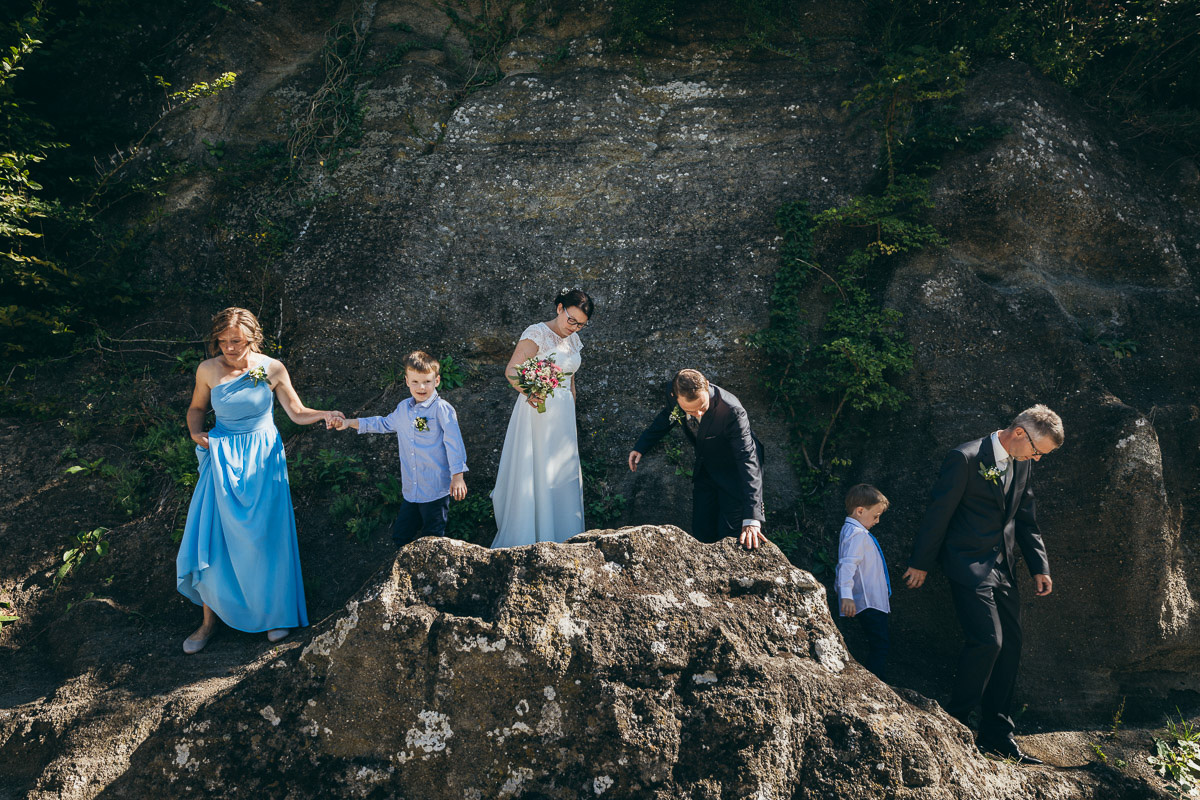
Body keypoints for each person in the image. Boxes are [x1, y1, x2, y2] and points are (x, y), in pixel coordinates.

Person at [902, 405, 1063, 764]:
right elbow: (938, 514)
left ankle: (997, 736)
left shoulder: (1024, 462)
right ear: (1020, 433)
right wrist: (920, 563)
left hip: (1003, 568)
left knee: (1011, 646)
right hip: (967, 564)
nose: (1038, 457)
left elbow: (1025, 518)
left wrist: (1040, 566)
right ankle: (954, 725)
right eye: (1038, 450)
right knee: (988, 641)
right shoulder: (965, 458)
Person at [176, 307, 342, 654]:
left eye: (235, 341)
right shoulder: (208, 369)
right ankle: (208, 623)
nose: (229, 348)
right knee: (216, 538)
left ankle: (274, 615)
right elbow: (196, 409)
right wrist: (196, 433)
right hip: (222, 459)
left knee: (266, 537)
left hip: (263, 459)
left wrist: (325, 414)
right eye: (222, 342)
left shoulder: (271, 368)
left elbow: (296, 412)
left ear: (252, 337)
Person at [332, 350, 468, 546]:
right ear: (406, 381)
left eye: (427, 382)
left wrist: (458, 476)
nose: (421, 387)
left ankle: (431, 575)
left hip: (435, 489)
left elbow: (454, 442)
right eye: (415, 382)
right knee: (401, 536)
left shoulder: (442, 409)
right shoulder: (403, 408)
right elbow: (383, 424)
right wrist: (350, 422)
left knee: (433, 538)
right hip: (411, 490)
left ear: (436, 381)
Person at [490, 289, 593, 548]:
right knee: (537, 469)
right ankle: (532, 536)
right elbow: (512, 369)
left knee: (561, 472)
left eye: (581, 324)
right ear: (560, 308)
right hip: (537, 411)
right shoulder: (536, 333)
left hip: (564, 417)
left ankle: (563, 534)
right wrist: (531, 390)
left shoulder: (574, 341)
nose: (574, 327)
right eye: (571, 320)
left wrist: (572, 418)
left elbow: (570, 381)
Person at [628, 369, 767, 549]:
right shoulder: (673, 394)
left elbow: (748, 460)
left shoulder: (732, 411)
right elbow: (667, 417)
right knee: (701, 530)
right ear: (675, 396)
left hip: (736, 474)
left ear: (707, 385)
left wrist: (753, 517)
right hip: (706, 468)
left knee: (731, 535)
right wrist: (641, 446)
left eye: (703, 407)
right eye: (691, 411)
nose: (699, 415)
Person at [836, 484, 892, 681]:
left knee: (880, 643)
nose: (877, 521)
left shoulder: (855, 532)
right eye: (875, 516)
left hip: (874, 600)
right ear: (860, 511)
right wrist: (846, 596)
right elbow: (846, 566)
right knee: (880, 645)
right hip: (869, 602)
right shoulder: (856, 534)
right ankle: (876, 683)